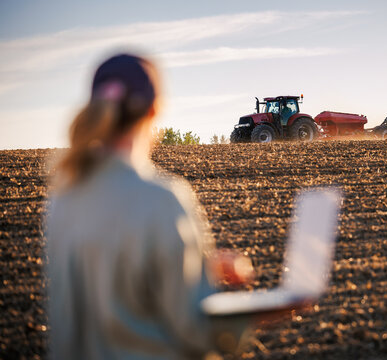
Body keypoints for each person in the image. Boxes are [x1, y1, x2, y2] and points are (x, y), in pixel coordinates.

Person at [46, 53, 255, 359]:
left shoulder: (63, 200)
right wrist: (256, 313)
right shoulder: (160, 198)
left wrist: (197, 268)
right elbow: (195, 330)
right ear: (156, 110)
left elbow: (108, 274)